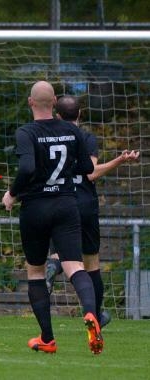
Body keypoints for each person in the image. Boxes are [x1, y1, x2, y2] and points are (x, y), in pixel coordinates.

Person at [2, 81, 102, 354]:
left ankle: (47, 338)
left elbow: (27, 167)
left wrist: (12, 193)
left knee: (35, 271)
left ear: (30, 102)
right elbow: (85, 167)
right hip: (66, 205)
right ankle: (92, 314)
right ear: (55, 101)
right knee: (75, 267)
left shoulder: (26, 132)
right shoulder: (72, 130)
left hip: (35, 208)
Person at [45, 95, 140, 329]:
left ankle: (53, 266)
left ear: (57, 115)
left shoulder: (47, 137)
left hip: (60, 201)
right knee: (91, 262)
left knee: (62, 254)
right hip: (85, 203)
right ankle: (95, 315)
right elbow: (91, 173)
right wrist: (119, 160)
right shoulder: (85, 137)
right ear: (80, 115)